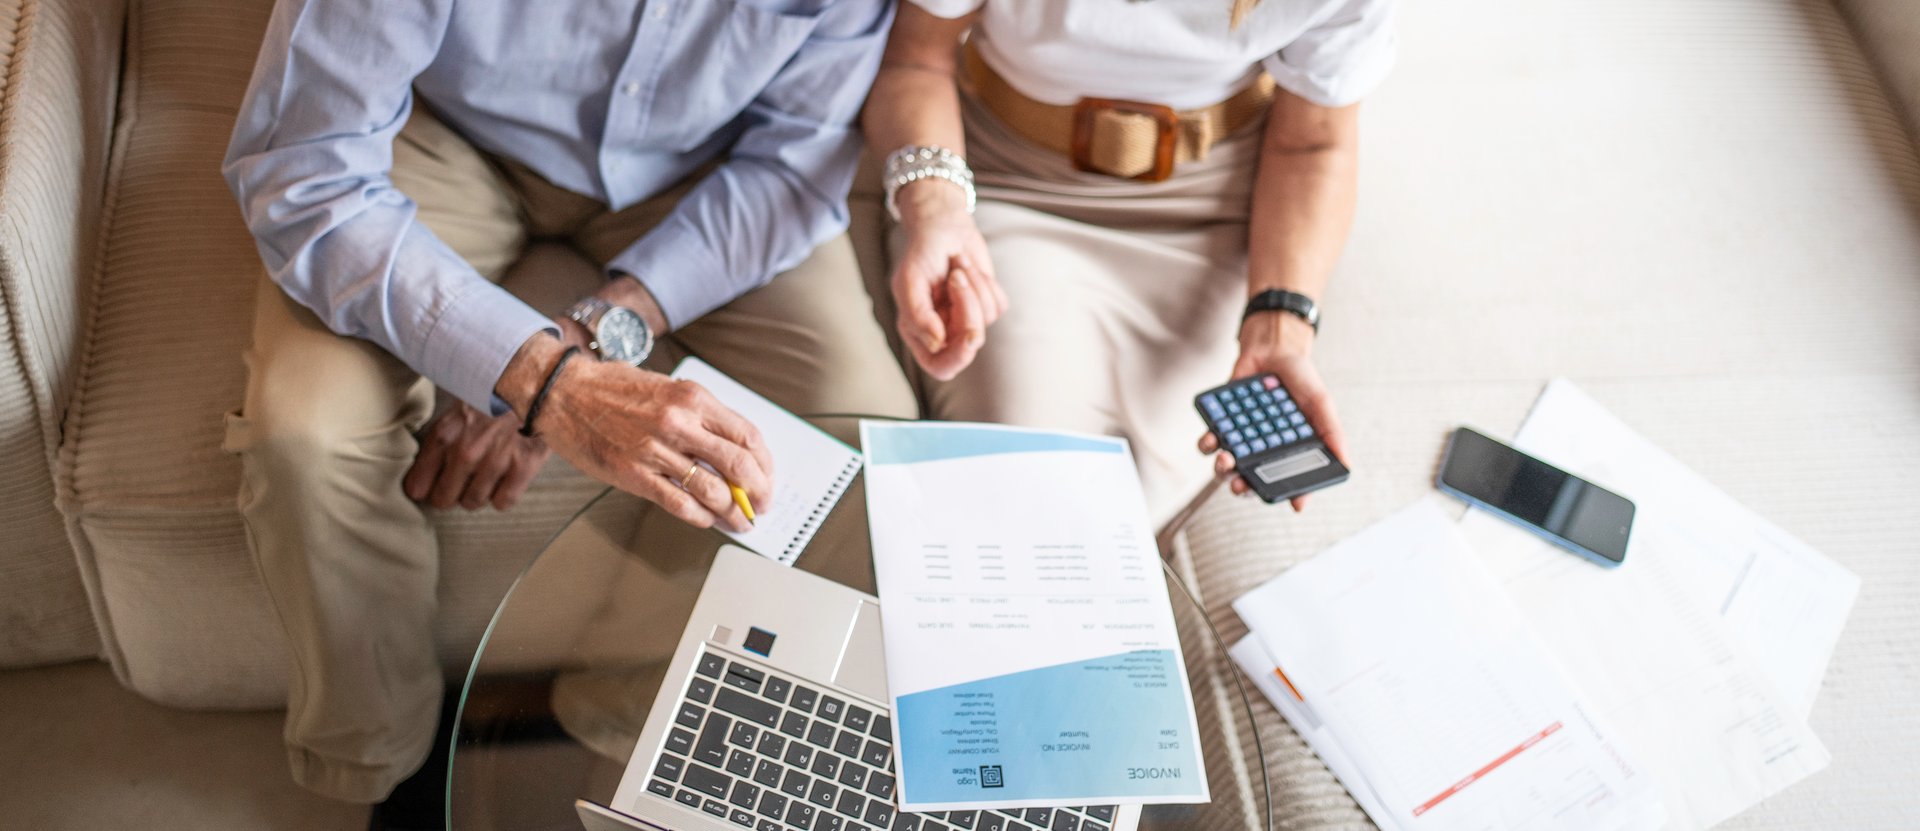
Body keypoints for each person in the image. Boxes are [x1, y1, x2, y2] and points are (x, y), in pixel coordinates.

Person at [221, 0, 915, 809]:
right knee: (308, 436)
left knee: (865, 432)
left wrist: (592, 336)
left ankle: (624, 726)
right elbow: (305, 170)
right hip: (442, 130)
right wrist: (539, 378)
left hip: (705, 169)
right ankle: (384, 765)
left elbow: (795, 163)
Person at [863, 0, 1393, 517]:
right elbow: (915, 57)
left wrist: (1281, 327)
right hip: (1014, 179)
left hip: (1215, 202)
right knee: (1030, 473)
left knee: (1135, 485)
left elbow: (1314, 143)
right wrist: (938, 209)